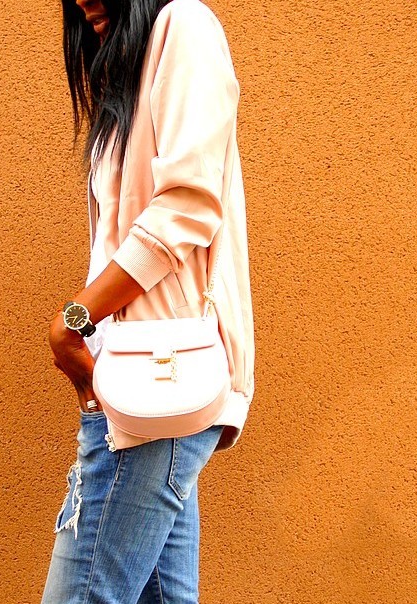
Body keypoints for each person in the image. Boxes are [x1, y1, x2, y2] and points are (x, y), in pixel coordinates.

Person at [42, 0, 254, 601]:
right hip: (131, 382)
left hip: (157, 382)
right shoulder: (129, 74)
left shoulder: (184, 26)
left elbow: (187, 203)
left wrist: (75, 319)